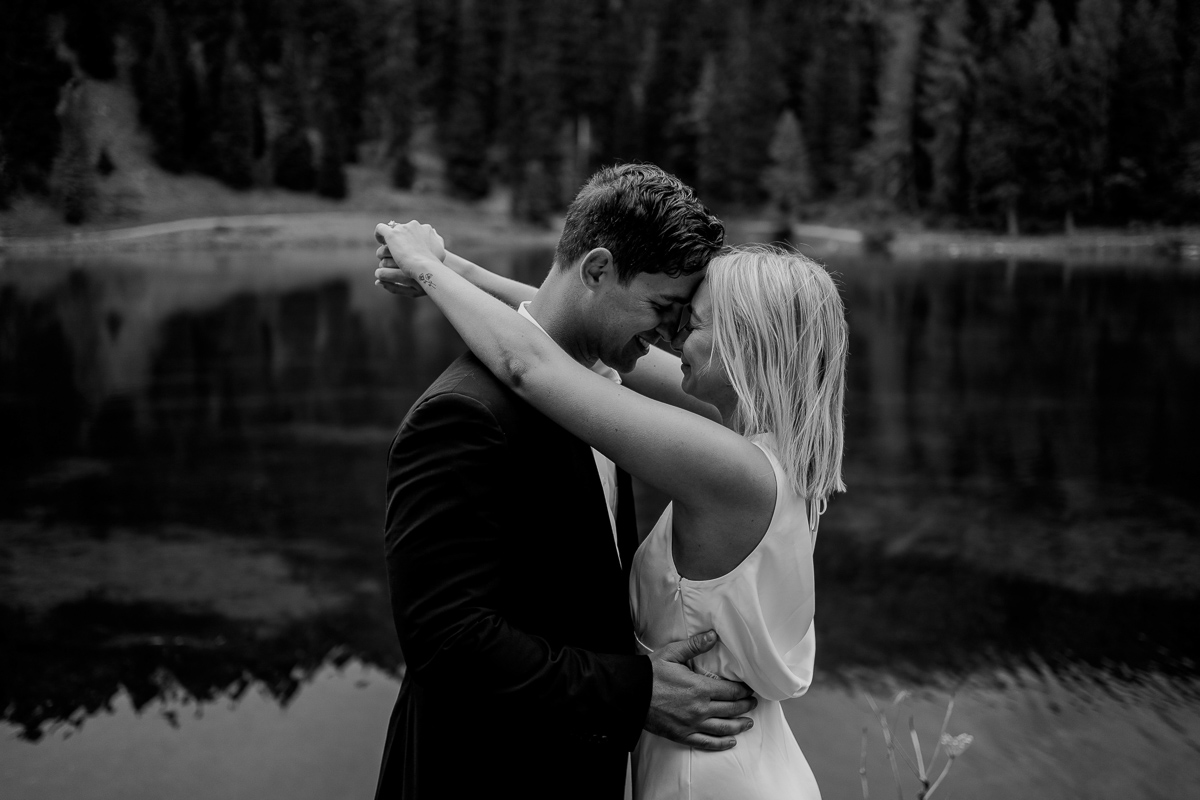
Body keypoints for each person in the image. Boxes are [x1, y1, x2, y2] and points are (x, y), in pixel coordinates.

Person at [374, 216, 847, 798]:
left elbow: (532, 365)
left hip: (711, 770)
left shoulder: (731, 470)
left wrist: (423, 264)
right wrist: (459, 270)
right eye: (669, 314)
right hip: (735, 753)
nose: (671, 338)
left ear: (745, 345)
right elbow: (574, 327)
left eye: (691, 322)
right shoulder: (778, 442)